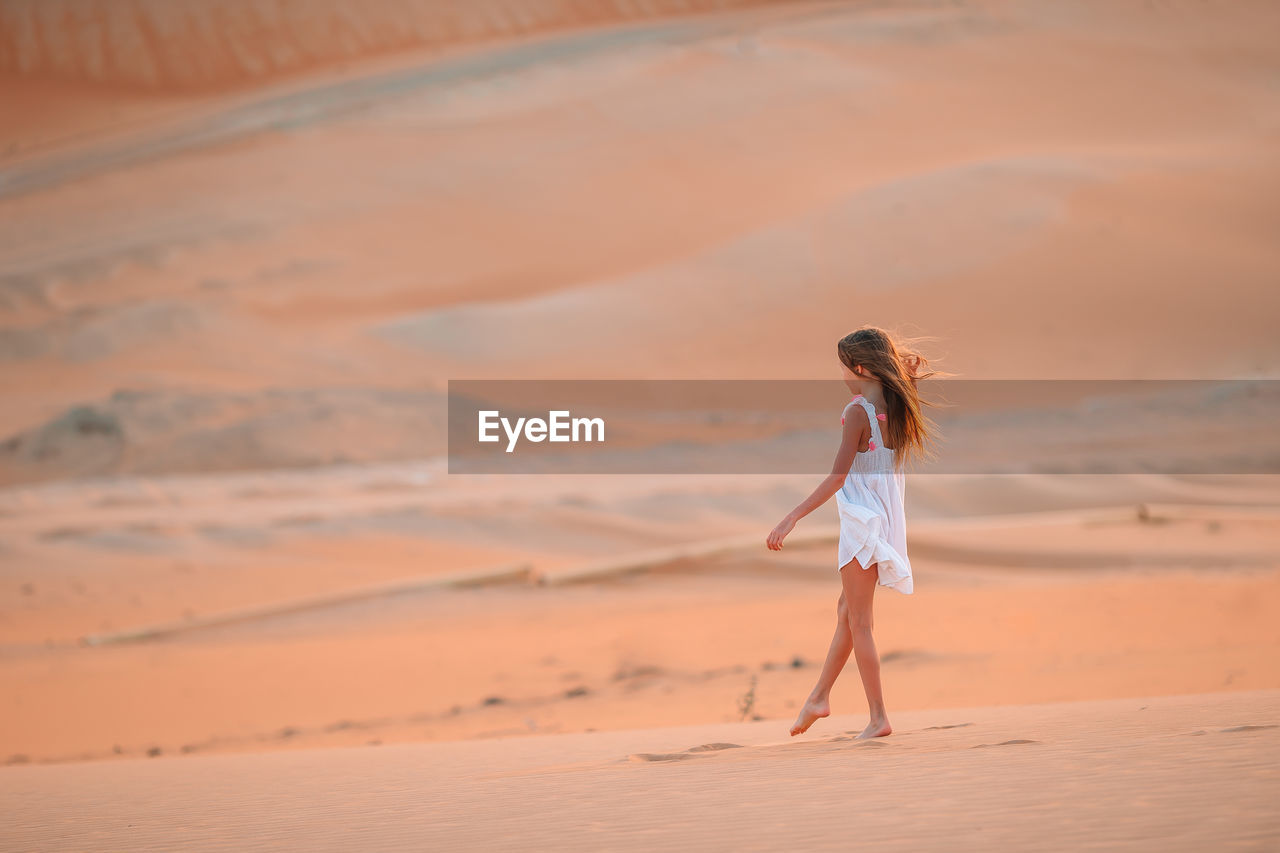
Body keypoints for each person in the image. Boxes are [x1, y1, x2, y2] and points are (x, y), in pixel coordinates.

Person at [766, 326, 940, 739]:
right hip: (885, 520)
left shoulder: (858, 412)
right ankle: (819, 697)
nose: (842, 375)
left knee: (860, 621)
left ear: (859, 367)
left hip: (862, 523)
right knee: (847, 611)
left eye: (844, 367)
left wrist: (792, 516)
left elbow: (838, 477)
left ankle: (878, 716)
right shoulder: (898, 404)